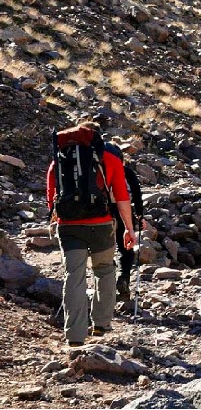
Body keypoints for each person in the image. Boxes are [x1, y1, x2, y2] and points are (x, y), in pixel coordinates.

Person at [47, 122, 136, 347]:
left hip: (69, 226)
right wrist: (128, 227)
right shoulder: (110, 159)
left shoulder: (57, 161)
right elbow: (122, 198)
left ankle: (75, 336)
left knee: (74, 276)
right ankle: (101, 324)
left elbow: (52, 199)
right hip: (102, 225)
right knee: (104, 270)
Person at [104, 142, 144, 301]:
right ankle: (124, 277)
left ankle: (107, 281)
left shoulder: (97, 172)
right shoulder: (127, 172)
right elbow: (137, 195)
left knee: (103, 249)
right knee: (125, 248)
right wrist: (140, 216)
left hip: (103, 213)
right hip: (124, 212)